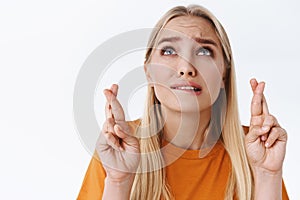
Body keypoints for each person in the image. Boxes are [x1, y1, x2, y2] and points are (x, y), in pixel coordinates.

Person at [77, 4, 289, 200]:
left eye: (204, 51)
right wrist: (118, 181)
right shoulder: (118, 146)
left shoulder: (256, 150)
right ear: (148, 73)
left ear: (224, 74)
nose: (186, 67)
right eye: (169, 51)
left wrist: (267, 175)